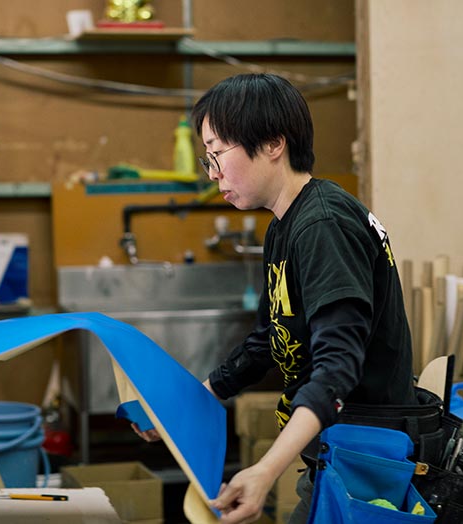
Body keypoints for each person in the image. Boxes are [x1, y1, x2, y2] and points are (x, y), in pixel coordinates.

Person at [133, 73, 416, 524]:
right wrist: (192, 402)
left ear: (272, 144)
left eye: (218, 153)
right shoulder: (285, 226)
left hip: (368, 461)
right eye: (208, 158)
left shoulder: (323, 225)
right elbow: (269, 338)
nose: (213, 173)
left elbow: (338, 368)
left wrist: (265, 470)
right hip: (337, 453)